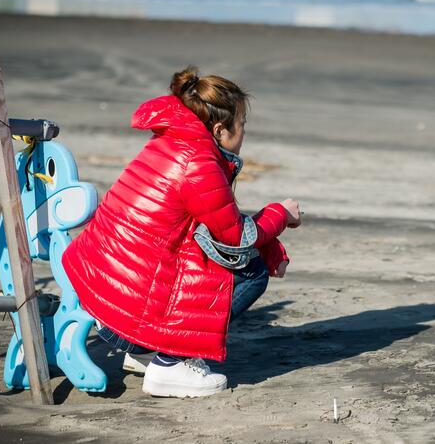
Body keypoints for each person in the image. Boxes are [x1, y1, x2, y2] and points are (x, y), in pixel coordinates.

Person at [62, 66, 301, 398]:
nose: (244, 132)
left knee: (224, 261)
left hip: (103, 274)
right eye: (242, 125)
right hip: (123, 289)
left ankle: (143, 349)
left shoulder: (174, 140)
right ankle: (171, 364)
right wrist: (281, 214)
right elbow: (235, 236)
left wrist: (270, 245)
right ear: (220, 129)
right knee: (251, 274)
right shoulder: (198, 161)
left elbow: (216, 223)